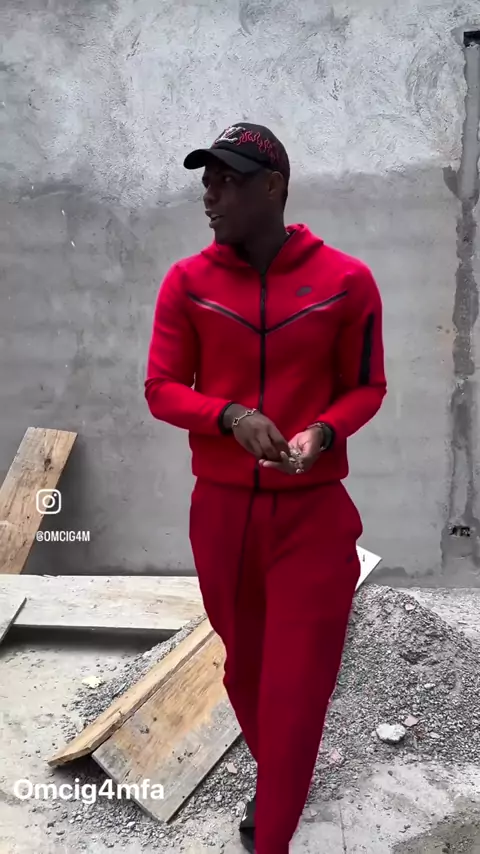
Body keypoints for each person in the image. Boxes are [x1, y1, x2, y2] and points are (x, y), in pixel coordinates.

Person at [145, 122, 387, 854]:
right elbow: (161, 388)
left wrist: (324, 432)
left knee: (296, 689)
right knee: (245, 674)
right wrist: (228, 415)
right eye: (207, 180)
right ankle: (279, 776)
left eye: (228, 181)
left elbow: (367, 386)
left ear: (273, 187)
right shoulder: (187, 283)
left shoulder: (345, 282)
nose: (210, 195)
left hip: (314, 519)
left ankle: (274, 831)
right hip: (220, 518)